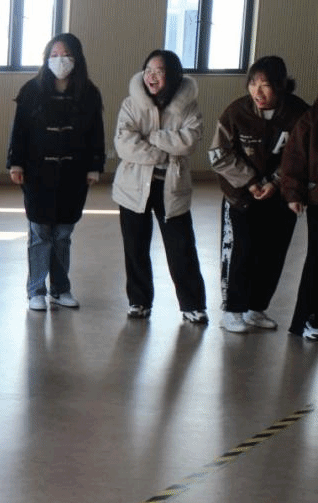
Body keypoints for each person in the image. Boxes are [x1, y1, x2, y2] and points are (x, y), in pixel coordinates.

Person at [210, 56, 307, 333]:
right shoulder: (236, 112)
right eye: (253, 84)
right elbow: (219, 155)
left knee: (273, 254)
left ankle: (256, 308)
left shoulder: (298, 113)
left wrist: (276, 183)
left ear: (281, 85)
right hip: (241, 195)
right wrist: (251, 182)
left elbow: (300, 155)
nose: (257, 92)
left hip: (281, 195)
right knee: (240, 251)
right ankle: (232, 311)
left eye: (265, 85)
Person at [7, 32, 104, 312]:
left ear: (77, 58)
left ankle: (60, 289)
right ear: (46, 58)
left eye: (66, 55)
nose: (60, 60)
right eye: (54, 55)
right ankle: (36, 289)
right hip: (37, 173)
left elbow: (96, 133)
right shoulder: (31, 90)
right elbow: (19, 131)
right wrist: (16, 163)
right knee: (40, 233)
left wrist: (95, 166)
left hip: (74, 174)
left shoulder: (89, 93)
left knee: (62, 234)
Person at [112, 50, 206, 323]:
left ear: (173, 75)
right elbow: (124, 144)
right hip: (133, 187)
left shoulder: (189, 107)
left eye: (159, 71)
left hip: (172, 187)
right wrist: (164, 152)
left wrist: (151, 136)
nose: (152, 77)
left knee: (181, 248)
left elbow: (189, 141)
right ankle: (139, 301)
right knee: (135, 248)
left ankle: (193, 305)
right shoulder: (131, 104)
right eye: (148, 70)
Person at [280, 97, 318, 341]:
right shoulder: (312, 117)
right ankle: (308, 318)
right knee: (316, 259)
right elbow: (294, 156)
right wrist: (293, 193)